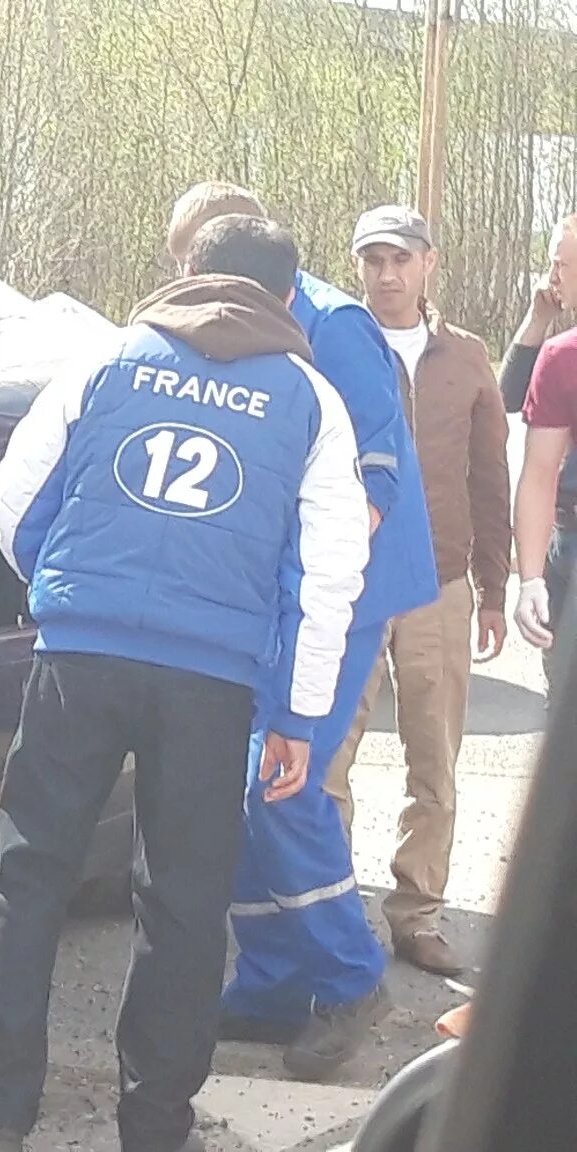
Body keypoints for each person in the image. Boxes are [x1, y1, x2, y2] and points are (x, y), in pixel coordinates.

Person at [0, 216, 369, 1152]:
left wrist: (61, 593)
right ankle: (153, 1126)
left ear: (191, 272)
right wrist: (298, 715)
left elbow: (16, 495)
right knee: (183, 907)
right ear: (287, 296)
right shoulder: (309, 398)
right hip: (210, 686)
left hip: (79, 663)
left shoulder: (107, 358)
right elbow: (330, 573)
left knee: (25, 883)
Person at [165, 183, 440, 1080]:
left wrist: (314, 586)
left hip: (342, 592)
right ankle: (277, 981)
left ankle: (351, 975)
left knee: (276, 784)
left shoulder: (336, 323)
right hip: (265, 592)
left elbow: (375, 476)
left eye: (195, 268)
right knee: (237, 783)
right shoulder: (220, 329)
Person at [322, 206, 510, 978]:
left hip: (438, 579)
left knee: (434, 757)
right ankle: (331, 915)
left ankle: (418, 911)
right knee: (329, 756)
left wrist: (495, 586)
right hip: (349, 580)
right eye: (373, 259)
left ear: (430, 263)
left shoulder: (466, 358)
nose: (386, 274)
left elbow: (489, 473)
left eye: (400, 258)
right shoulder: (332, 343)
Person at [510, 215, 577, 691]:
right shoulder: (560, 357)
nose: (552, 278)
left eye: (560, 264)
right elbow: (539, 476)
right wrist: (530, 578)